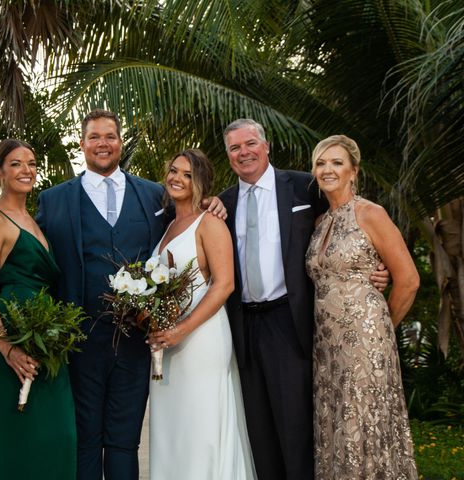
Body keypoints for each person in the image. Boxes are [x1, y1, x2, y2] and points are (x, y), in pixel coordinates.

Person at [36, 109, 225, 480]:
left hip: (136, 338)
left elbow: (189, 218)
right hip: (80, 338)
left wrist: (213, 202)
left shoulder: (154, 195)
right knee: (86, 438)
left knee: (124, 441)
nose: (102, 144)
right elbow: (39, 263)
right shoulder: (53, 200)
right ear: (82, 143)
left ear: (121, 143)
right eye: (94, 137)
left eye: (110, 136)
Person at [218, 119, 389, 480]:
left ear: (265, 147)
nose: (243, 152)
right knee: (258, 431)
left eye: (250, 144)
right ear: (229, 156)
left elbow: (349, 220)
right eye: (235, 148)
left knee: (295, 430)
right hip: (244, 326)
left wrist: (378, 268)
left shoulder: (302, 186)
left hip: (289, 322)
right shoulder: (223, 203)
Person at [305, 135, 419, 478]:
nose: (328, 169)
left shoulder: (371, 214)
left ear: (353, 171)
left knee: (363, 423)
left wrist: (381, 328)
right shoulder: (320, 222)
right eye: (321, 163)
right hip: (327, 346)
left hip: (365, 345)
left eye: (337, 163)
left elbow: (409, 280)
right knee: (336, 422)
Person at [147, 149, 256, 479]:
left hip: (201, 338)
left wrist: (181, 329)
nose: (177, 179)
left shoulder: (210, 223)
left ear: (202, 184)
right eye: (174, 171)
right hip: (166, 343)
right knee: (172, 426)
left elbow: (224, 285)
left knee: (201, 423)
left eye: (187, 175)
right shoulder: (167, 225)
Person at [0, 139, 76, 478]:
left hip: (47, 339)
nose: (26, 170)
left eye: (31, 163)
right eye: (16, 164)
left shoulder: (35, 220)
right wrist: (7, 347)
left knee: (58, 435)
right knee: (15, 438)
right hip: (11, 337)